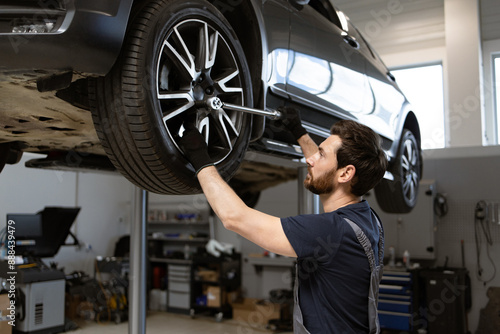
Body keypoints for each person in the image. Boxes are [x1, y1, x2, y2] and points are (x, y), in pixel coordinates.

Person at [179, 106, 388, 334]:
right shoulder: (368, 220)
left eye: (322, 154)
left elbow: (235, 218)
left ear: (346, 174)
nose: (311, 160)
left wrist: (199, 155)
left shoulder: (331, 230)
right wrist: (298, 131)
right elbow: (326, 170)